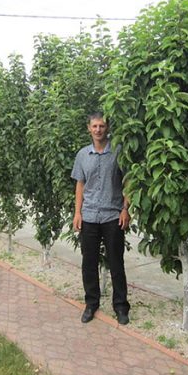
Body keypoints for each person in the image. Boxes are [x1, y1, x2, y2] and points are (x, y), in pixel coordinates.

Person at [71, 112, 131, 325]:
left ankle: (121, 307)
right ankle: (91, 304)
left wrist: (125, 208)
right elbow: (80, 184)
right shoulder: (82, 155)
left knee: (116, 263)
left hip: (112, 216)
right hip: (88, 216)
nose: (98, 130)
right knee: (89, 263)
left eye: (102, 126)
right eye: (95, 126)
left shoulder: (118, 152)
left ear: (107, 128)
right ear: (89, 128)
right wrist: (77, 213)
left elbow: (128, 182)